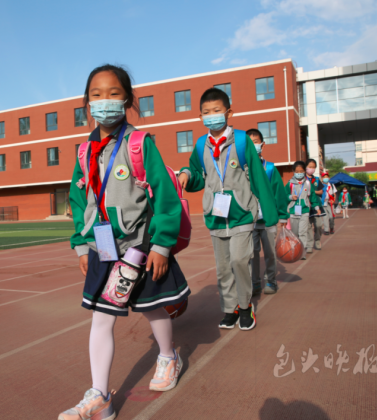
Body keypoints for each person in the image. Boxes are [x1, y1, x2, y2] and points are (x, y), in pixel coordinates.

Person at [61, 65, 189, 420]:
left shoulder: (140, 143)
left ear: (129, 99)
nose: (105, 102)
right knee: (102, 318)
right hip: (103, 247)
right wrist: (81, 243)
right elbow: (78, 199)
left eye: (114, 93)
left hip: (141, 246)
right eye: (96, 95)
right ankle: (100, 397)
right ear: (87, 102)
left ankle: (168, 356)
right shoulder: (85, 151)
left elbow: (165, 196)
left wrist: (162, 245)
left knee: (150, 307)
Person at [178, 87, 279, 330]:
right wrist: (185, 175)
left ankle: (245, 307)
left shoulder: (242, 141)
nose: (211, 115)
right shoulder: (201, 144)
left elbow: (257, 177)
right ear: (200, 117)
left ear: (228, 112)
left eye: (216, 110)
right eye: (206, 112)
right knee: (223, 268)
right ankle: (230, 308)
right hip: (216, 216)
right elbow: (198, 176)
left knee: (239, 260)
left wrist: (274, 215)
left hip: (242, 214)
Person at [246, 129, 289, 295]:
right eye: (250, 143)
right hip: (250, 220)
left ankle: (271, 280)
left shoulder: (270, 168)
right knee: (252, 254)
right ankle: (255, 282)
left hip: (268, 219)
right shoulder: (243, 169)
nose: (253, 145)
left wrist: (283, 215)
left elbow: (279, 193)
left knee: (270, 253)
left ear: (262, 144)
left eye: (256, 142)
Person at [285, 161, 322, 259]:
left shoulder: (307, 183)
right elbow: (283, 195)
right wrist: (290, 197)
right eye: (297, 171)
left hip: (305, 211)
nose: (299, 173)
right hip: (293, 211)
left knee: (303, 232)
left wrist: (316, 207)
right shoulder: (290, 184)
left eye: (301, 171)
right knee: (295, 233)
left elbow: (313, 197)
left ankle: (302, 252)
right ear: (293, 171)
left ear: (304, 171)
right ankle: (295, 250)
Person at [305, 159, 324, 252]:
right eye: (310, 166)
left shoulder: (316, 179)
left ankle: (317, 240)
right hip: (306, 206)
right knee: (308, 226)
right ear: (306, 167)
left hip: (317, 206)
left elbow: (321, 191)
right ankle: (309, 244)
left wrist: (312, 191)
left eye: (313, 167)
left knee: (319, 225)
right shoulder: (303, 179)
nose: (311, 169)